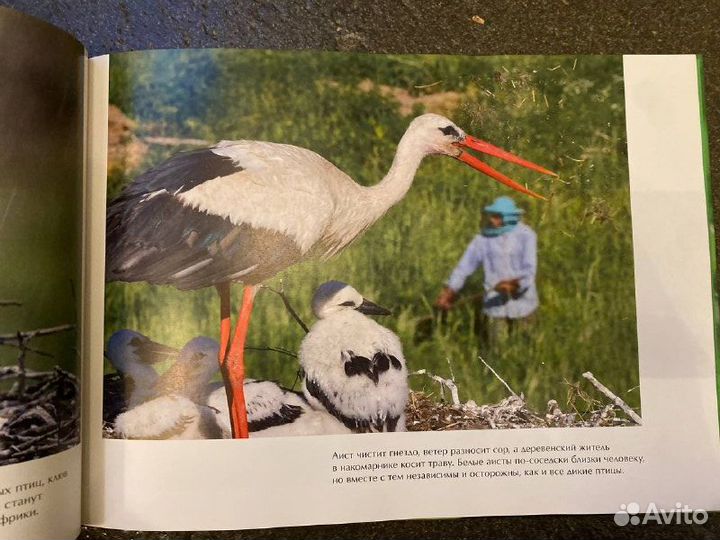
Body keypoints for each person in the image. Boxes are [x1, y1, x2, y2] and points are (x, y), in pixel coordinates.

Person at [435, 196, 538, 342]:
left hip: (524, 305)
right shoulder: (482, 239)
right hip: (495, 307)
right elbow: (463, 268)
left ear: (509, 217)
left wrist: (516, 285)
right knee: (497, 348)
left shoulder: (526, 236)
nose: (492, 220)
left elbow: (529, 269)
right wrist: (450, 291)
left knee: (527, 347)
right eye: (492, 216)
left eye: (497, 217)